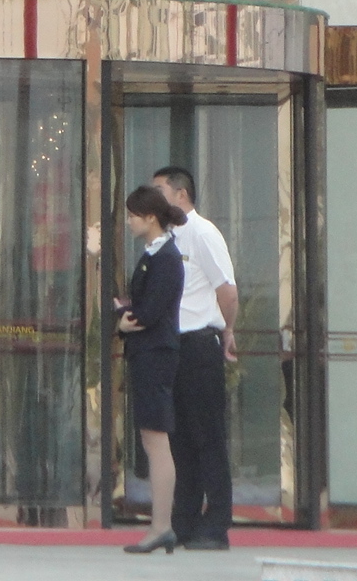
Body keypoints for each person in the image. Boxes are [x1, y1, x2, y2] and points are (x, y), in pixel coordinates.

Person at [154, 165, 237, 552]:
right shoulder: (166, 237)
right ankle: (184, 521)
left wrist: (228, 330)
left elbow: (227, 290)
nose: (155, 198)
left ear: (181, 194)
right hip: (172, 346)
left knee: (208, 437)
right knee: (180, 439)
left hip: (200, 344)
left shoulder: (203, 233)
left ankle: (217, 523)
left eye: (160, 190)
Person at [116, 185, 187, 556]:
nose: (129, 222)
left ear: (150, 217)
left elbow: (149, 312)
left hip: (156, 354)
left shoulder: (166, 258)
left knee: (157, 441)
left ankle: (161, 526)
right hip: (148, 353)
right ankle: (160, 526)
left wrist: (125, 318)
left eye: (133, 216)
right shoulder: (153, 254)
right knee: (151, 439)